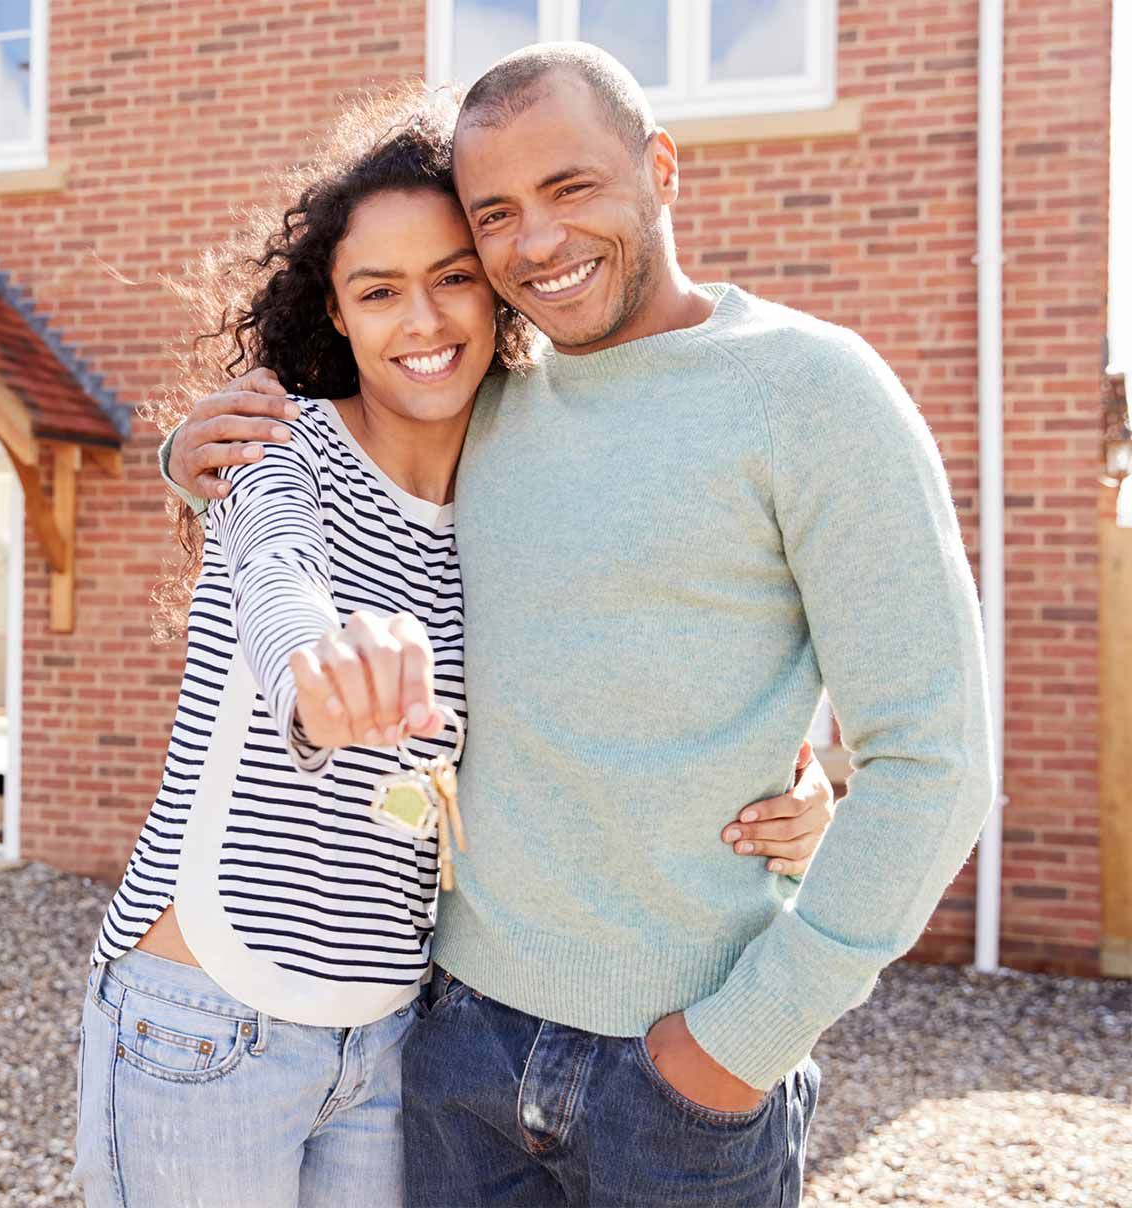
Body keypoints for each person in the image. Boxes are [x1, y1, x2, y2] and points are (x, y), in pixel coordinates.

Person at [164, 44, 996, 1208]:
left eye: (571, 189)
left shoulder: (814, 392)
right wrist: (187, 451)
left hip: (681, 1082)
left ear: (660, 167)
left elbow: (936, 761)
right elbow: (321, 477)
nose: (536, 243)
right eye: (496, 212)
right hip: (455, 1049)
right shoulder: (489, 400)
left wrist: (739, 1039)